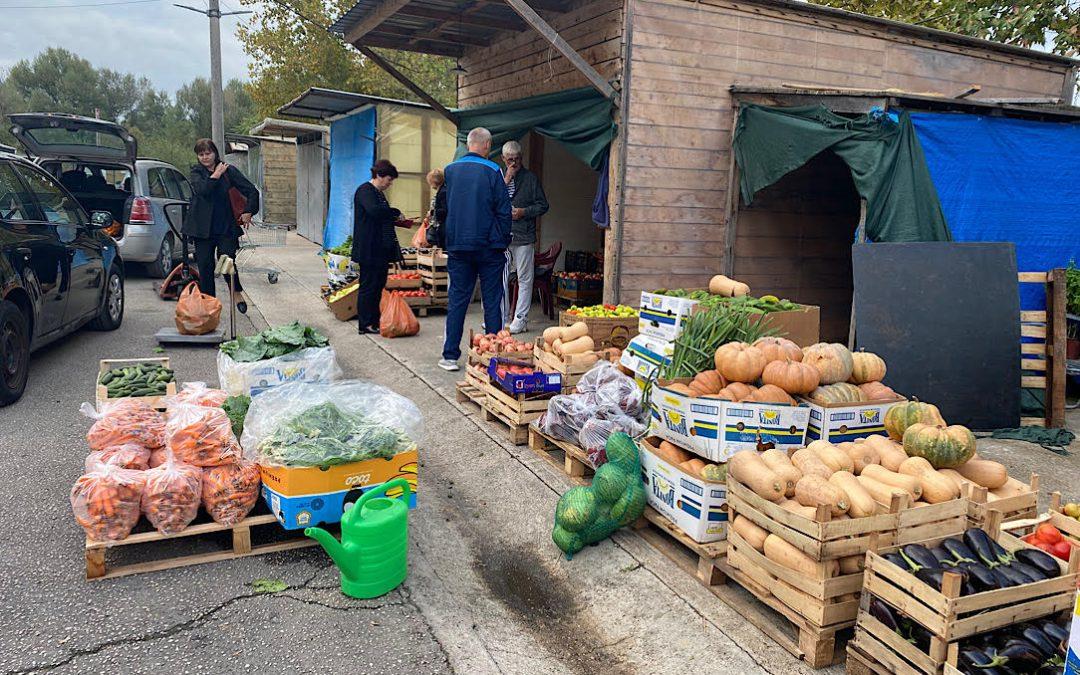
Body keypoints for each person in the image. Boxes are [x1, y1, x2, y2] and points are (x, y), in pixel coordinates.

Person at [438, 128, 512, 371]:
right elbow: (503, 209)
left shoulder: (450, 170)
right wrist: (502, 240)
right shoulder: (493, 171)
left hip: (458, 246)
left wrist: (449, 238)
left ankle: (449, 356)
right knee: (493, 302)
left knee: (457, 300)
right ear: (488, 145)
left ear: (469, 144)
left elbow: (441, 209)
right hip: (489, 248)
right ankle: (493, 357)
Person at [183, 138, 259, 313]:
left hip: (225, 226)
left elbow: (251, 190)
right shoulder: (196, 172)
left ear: (215, 153)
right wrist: (215, 175)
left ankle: (236, 291)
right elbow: (202, 191)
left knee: (226, 260)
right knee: (205, 266)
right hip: (202, 229)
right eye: (201, 154)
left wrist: (248, 211)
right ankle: (210, 305)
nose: (205, 157)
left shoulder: (228, 171)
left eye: (208, 153)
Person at [351, 159, 406, 335]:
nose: (390, 184)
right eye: (389, 179)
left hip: (380, 249)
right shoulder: (365, 191)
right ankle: (365, 323)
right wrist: (394, 212)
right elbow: (374, 211)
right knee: (369, 286)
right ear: (379, 176)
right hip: (369, 248)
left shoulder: (378, 193)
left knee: (378, 285)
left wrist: (395, 217)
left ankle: (374, 320)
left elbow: (381, 215)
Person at [499, 140, 548, 334]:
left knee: (525, 278)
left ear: (522, 157)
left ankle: (520, 319)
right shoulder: (499, 177)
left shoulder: (531, 178)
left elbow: (543, 205)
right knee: (500, 278)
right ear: (503, 159)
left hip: (524, 235)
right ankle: (500, 318)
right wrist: (507, 178)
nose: (514, 163)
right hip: (502, 235)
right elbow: (492, 202)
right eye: (510, 160)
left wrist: (524, 212)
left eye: (517, 159)